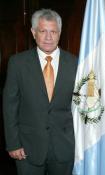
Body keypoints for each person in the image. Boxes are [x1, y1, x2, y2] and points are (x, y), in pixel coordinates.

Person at [3, 9, 77, 175]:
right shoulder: (17, 63)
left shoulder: (76, 64)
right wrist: (13, 143)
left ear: (60, 33)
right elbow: (10, 107)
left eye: (53, 32)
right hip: (27, 148)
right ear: (33, 32)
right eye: (43, 31)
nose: (48, 37)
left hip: (65, 147)